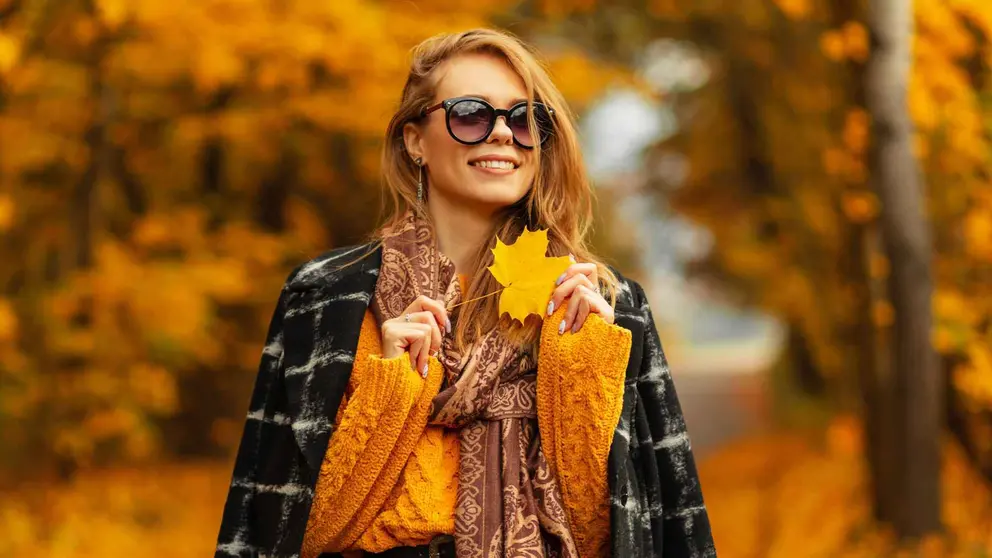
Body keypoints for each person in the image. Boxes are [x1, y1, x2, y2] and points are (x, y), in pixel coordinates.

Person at [215, 28, 715, 558]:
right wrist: (392, 390)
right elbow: (291, 531)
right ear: (414, 141)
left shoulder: (607, 305)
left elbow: (613, 536)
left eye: (524, 119)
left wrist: (579, 369)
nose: (502, 133)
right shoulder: (324, 297)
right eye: (471, 115)